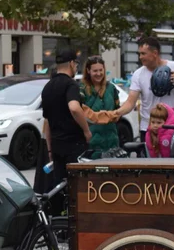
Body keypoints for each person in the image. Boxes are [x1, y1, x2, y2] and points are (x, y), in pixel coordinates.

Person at [41, 48, 91, 209]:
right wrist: (86, 130)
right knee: (76, 188)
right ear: (71, 63)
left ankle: (59, 221)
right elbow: (75, 108)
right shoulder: (71, 84)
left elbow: (47, 122)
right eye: (76, 64)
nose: (76, 68)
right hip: (73, 145)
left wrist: (49, 149)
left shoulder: (47, 87)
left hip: (56, 145)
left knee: (60, 187)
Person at [115, 37, 174, 139]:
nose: (140, 57)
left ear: (155, 53)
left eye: (143, 53)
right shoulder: (138, 74)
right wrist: (116, 113)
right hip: (149, 129)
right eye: (139, 54)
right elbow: (130, 102)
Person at [79, 56, 120, 158]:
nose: (98, 74)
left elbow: (118, 110)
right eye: (95, 71)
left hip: (112, 142)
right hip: (92, 144)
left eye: (101, 70)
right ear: (88, 71)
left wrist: (114, 116)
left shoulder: (111, 88)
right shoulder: (81, 89)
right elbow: (79, 115)